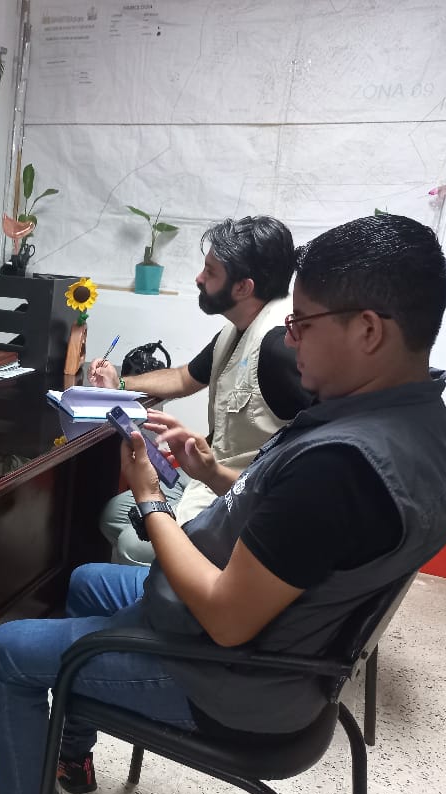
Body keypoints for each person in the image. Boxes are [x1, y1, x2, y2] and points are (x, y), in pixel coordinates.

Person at [0, 212, 446, 794]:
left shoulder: (342, 468)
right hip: (272, 641)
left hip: (231, 678)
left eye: (303, 323)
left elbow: (225, 616)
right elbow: (292, 522)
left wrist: (149, 497)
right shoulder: (418, 425)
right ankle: (70, 759)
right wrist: (213, 473)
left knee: (6, 649)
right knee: (85, 579)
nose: (291, 338)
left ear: (368, 330)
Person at [89, 216, 313, 567]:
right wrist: (119, 383)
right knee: (114, 513)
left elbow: (310, 456)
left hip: (241, 501)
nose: (198, 278)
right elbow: (184, 378)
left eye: (210, 272)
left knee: (134, 543)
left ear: (243, 287)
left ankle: (172, 588)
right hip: (205, 480)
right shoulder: (236, 330)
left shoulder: (278, 347)